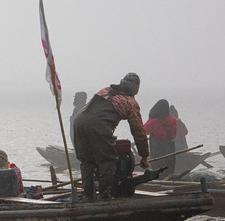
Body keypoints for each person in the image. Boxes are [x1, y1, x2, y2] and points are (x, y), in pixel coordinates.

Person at [72, 72, 149, 200]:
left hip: (78, 122)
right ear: (136, 88)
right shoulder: (130, 102)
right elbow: (138, 131)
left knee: (87, 162)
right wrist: (144, 155)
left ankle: (89, 197)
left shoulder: (105, 91)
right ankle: (105, 196)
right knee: (107, 160)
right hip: (97, 125)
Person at [143, 98, 179, 176]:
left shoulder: (153, 121)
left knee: (157, 168)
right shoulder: (173, 120)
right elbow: (173, 135)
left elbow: (145, 131)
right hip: (170, 146)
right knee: (169, 167)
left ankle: (158, 180)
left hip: (156, 147)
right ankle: (169, 179)